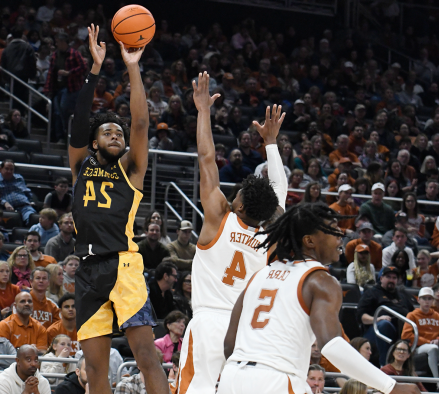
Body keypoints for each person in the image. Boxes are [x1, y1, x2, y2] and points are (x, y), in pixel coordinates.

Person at [216, 203, 419, 394]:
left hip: (232, 377)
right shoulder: (320, 280)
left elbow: (229, 344)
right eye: (331, 229)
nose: (340, 234)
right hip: (276, 379)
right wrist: (390, 386)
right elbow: (331, 346)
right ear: (309, 241)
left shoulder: (259, 275)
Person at [67, 26, 171, 394]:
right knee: (95, 367)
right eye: (108, 132)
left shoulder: (131, 170)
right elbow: (78, 122)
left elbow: (141, 124)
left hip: (124, 266)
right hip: (88, 270)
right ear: (94, 142)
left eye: (119, 133)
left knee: (146, 354)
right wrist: (95, 69)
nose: (117, 136)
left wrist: (132, 67)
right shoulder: (81, 164)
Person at [174, 71, 287, 394]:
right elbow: (278, 193)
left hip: (210, 324)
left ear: (238, 206)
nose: (233, 192)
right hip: (248, 332)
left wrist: (204, 111)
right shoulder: (269, 236)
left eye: (236, 193)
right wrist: (271, 144)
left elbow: (207, 158)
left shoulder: (219, 217)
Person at [402, 288, 439, 378]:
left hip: (434, 344)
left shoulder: (437, 316)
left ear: (433, 300)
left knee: (435, 346)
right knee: (433, 348)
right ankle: (438, 382)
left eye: (429, 299)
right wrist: (427, 341)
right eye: (424, 298)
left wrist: (438, 339)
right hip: (417, 347)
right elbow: (406, 335)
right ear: (418, 300)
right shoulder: (412, 315)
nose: (427, 301)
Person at [0, 160, 36, 225]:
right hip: (5, 207)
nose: (9, 171)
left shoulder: (19, 178)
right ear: (1, 169)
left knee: (32, 219)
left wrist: (30, 201)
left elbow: (26, 191)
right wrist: (4, 203)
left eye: (11, 169)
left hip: (24, 206)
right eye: (7, 169)